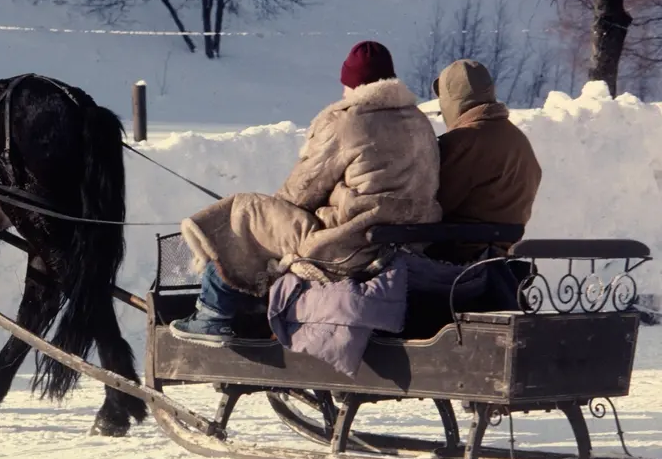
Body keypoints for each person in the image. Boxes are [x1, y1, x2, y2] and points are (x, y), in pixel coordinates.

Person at [170, 41, 443, 345]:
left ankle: (212, 316)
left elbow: (300, 192)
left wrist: (275, 212)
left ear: (352, 84)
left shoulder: (348, 121)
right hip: (406, 242)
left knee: (245, 210)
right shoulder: (420, 122)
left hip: (348, 247)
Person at [427, 59, 542, 264]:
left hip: (454, 266)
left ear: (452, 101)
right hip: (501, 264)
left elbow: (432, 205)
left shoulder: (462, 141)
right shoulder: (519, 140)